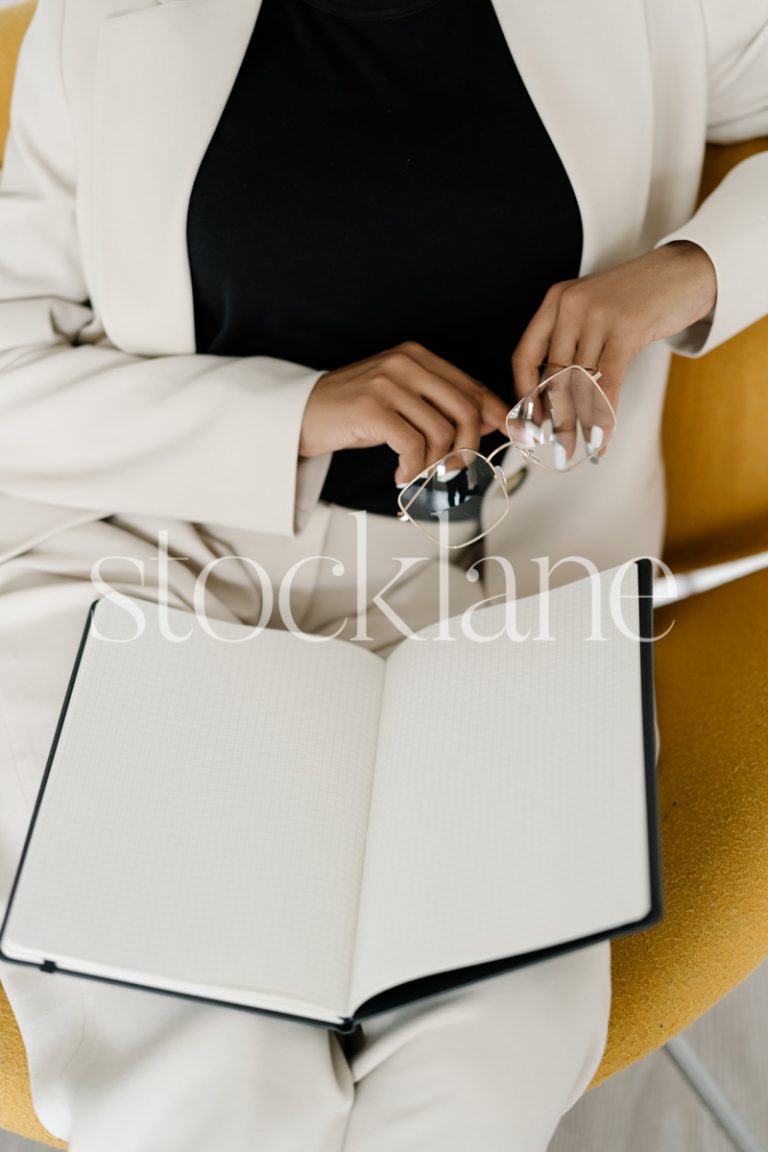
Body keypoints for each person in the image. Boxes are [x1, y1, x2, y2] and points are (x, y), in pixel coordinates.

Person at [0, 0, 766, 1149]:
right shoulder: (104, 18)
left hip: (515, 617)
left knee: (476, 1081)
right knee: (203, 1075)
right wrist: (294, 409)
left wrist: (687, 273)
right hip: (156, 583)